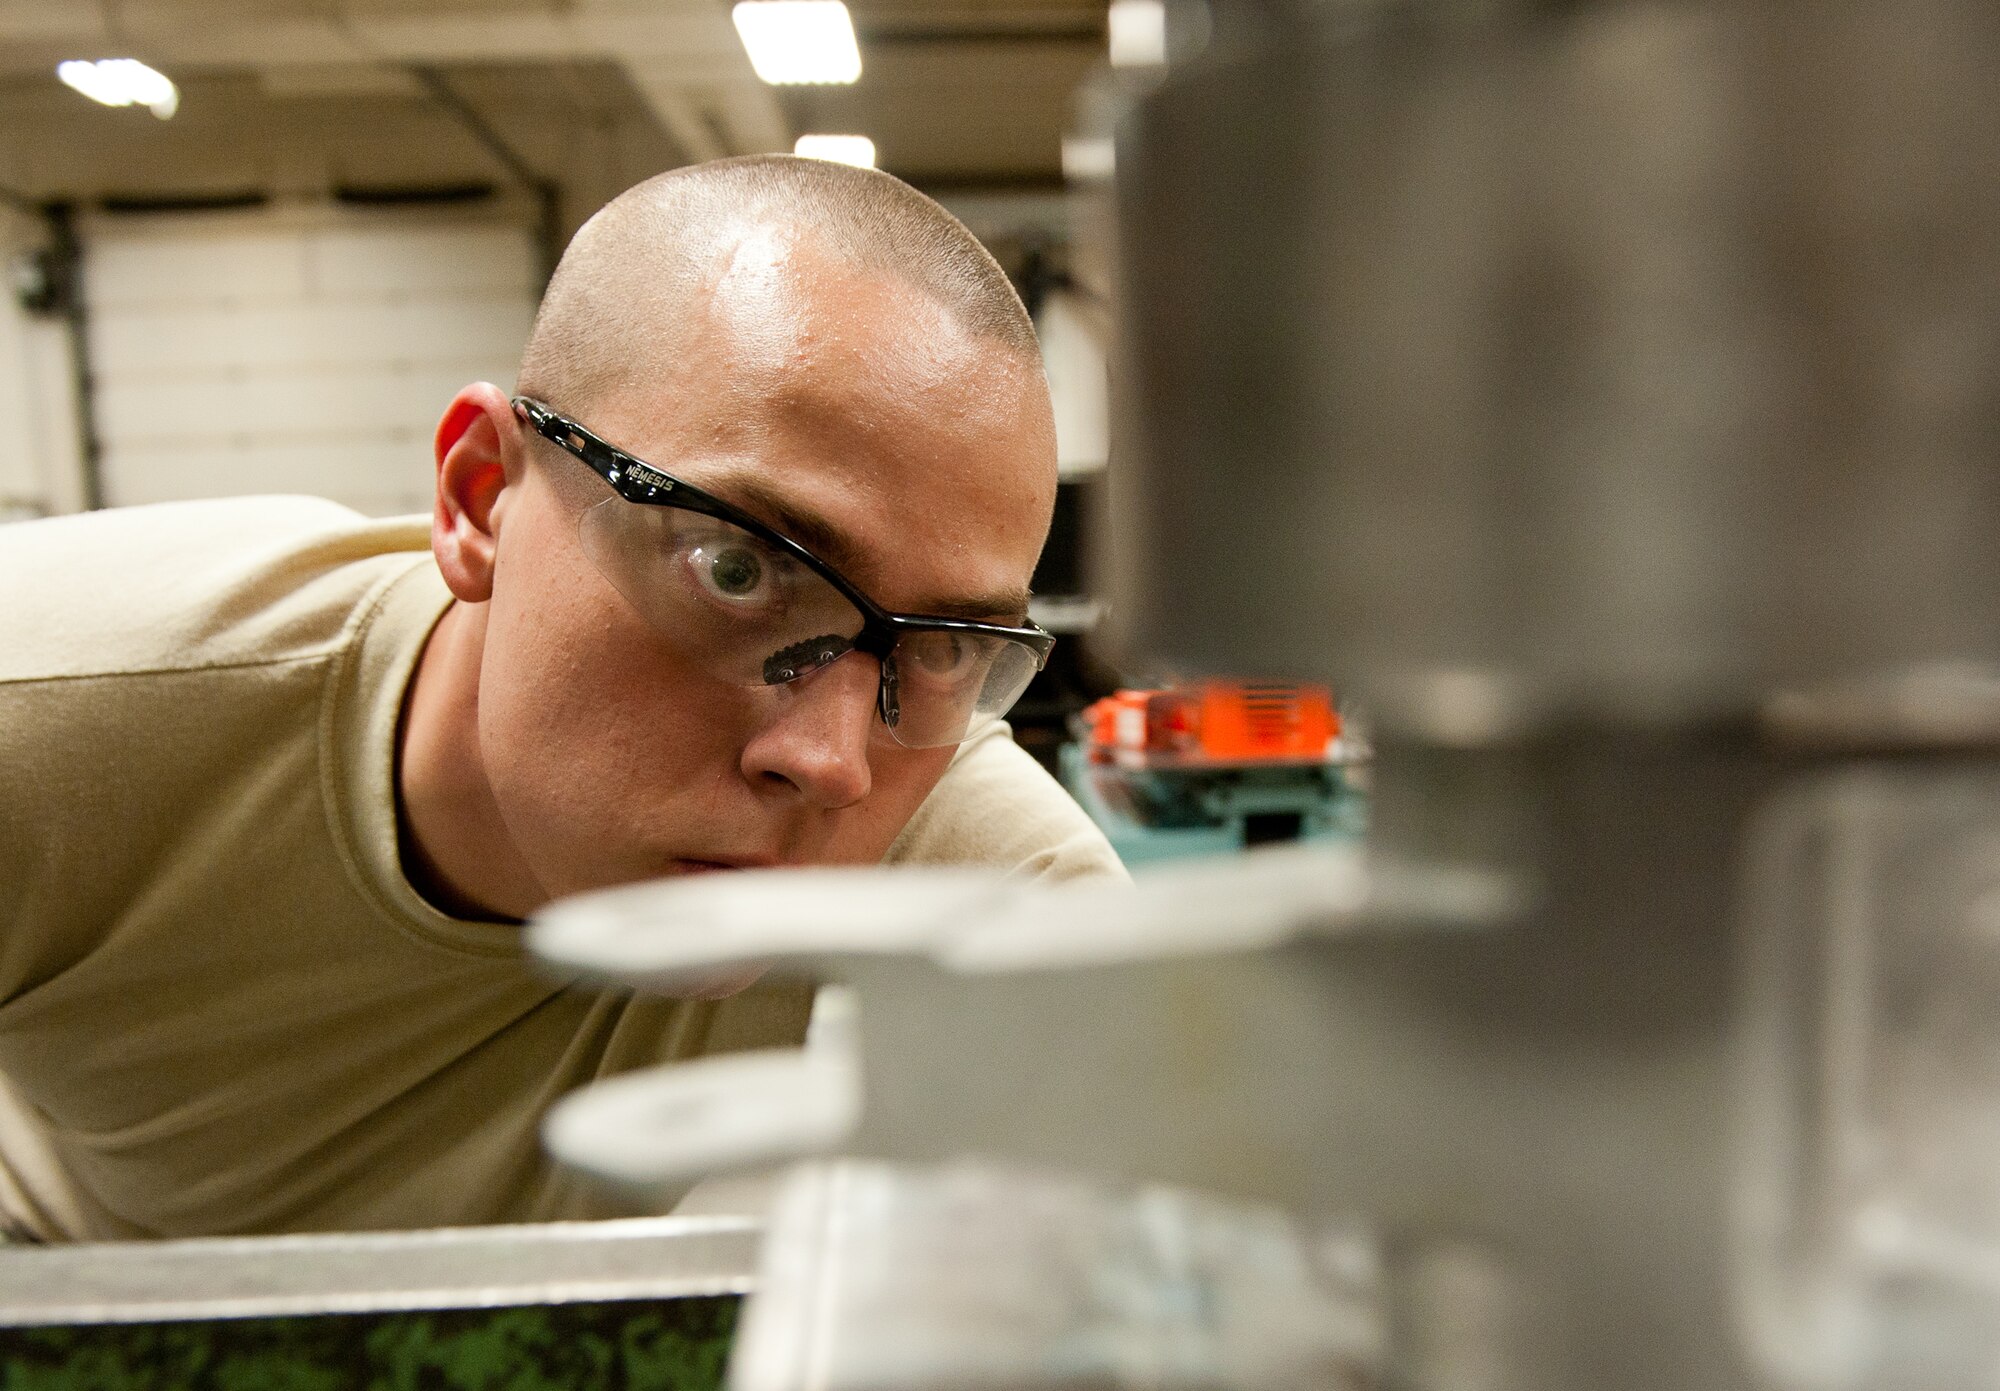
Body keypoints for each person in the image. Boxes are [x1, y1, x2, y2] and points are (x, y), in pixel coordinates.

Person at [0, 156, 1125, 1242]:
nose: (832, 761)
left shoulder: (955, 840)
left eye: (941, 646)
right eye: (738, 570)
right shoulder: (60, 711)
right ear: (481, 496)